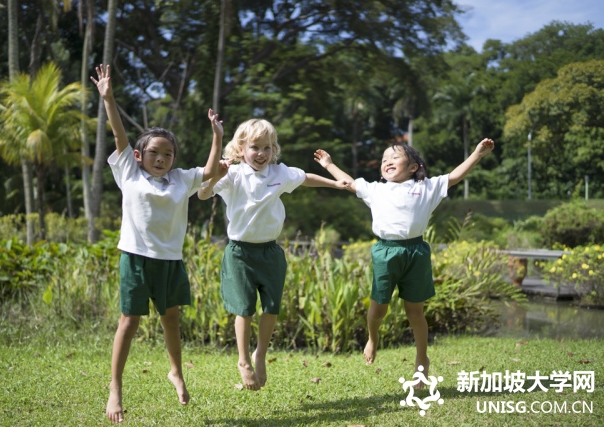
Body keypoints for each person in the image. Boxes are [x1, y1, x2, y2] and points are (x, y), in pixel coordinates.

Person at [91, 64, 224, 423]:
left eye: (168, 154)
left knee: (171, 319)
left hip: (170, 260)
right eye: (154, 153)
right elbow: (119, 135)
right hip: (135, 257)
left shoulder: (181, 179)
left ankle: (176, 372)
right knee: (129, 321)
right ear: (139, 156)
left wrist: (217, 137)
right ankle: (115, 388)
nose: (162, 159)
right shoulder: (129, 172)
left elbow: (210, 171)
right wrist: (108, 98)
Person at [314, 138, 495, 389]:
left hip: (416, 252)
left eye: (395, 157)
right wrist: (329, 165)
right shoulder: (376, 190)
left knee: (415, 312)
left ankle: (421, 358)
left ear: (413, 167)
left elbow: (454, 177)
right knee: (378, 309)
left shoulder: (426, 187)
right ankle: (373, 338)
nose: (387, 161)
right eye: (384, 159)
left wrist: (477, 154)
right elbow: (349, 183)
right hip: (385, 252)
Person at [198, 118, 350, 391]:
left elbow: (305, 178)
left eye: (267, 148)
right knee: (244, 309)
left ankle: (260, 354)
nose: (262, 153)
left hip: (270, 251)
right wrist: (216, 177)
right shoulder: (232, 174)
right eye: (255, 147)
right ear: (241, 149)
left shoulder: (279, 173)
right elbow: (202, 194)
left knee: (271, 307)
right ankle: (243, 360)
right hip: (240, 252)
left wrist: (334, 184)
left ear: (274, 149)